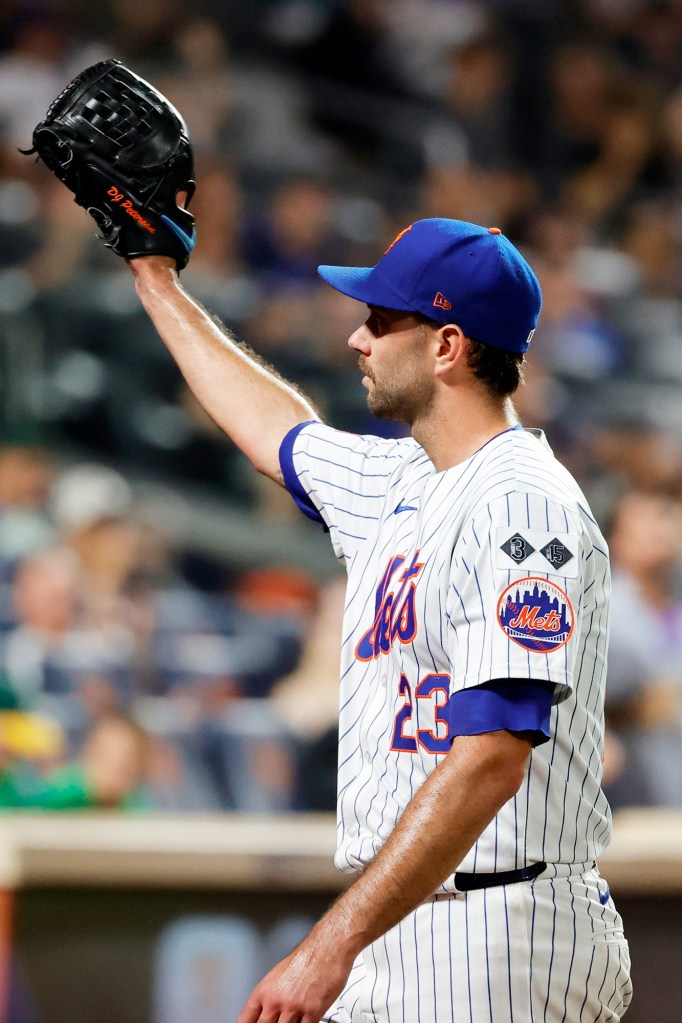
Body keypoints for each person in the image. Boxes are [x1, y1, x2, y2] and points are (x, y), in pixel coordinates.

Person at [126, 217, 632, 1022]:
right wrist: (156, 279)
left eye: (384, 319)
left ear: (447, 347)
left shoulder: (522, 504)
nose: (359, 338)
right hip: (411, 924)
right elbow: (273, 429)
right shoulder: (400, 477)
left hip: (500, 930)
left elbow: (492, 756)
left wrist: (328, 944)